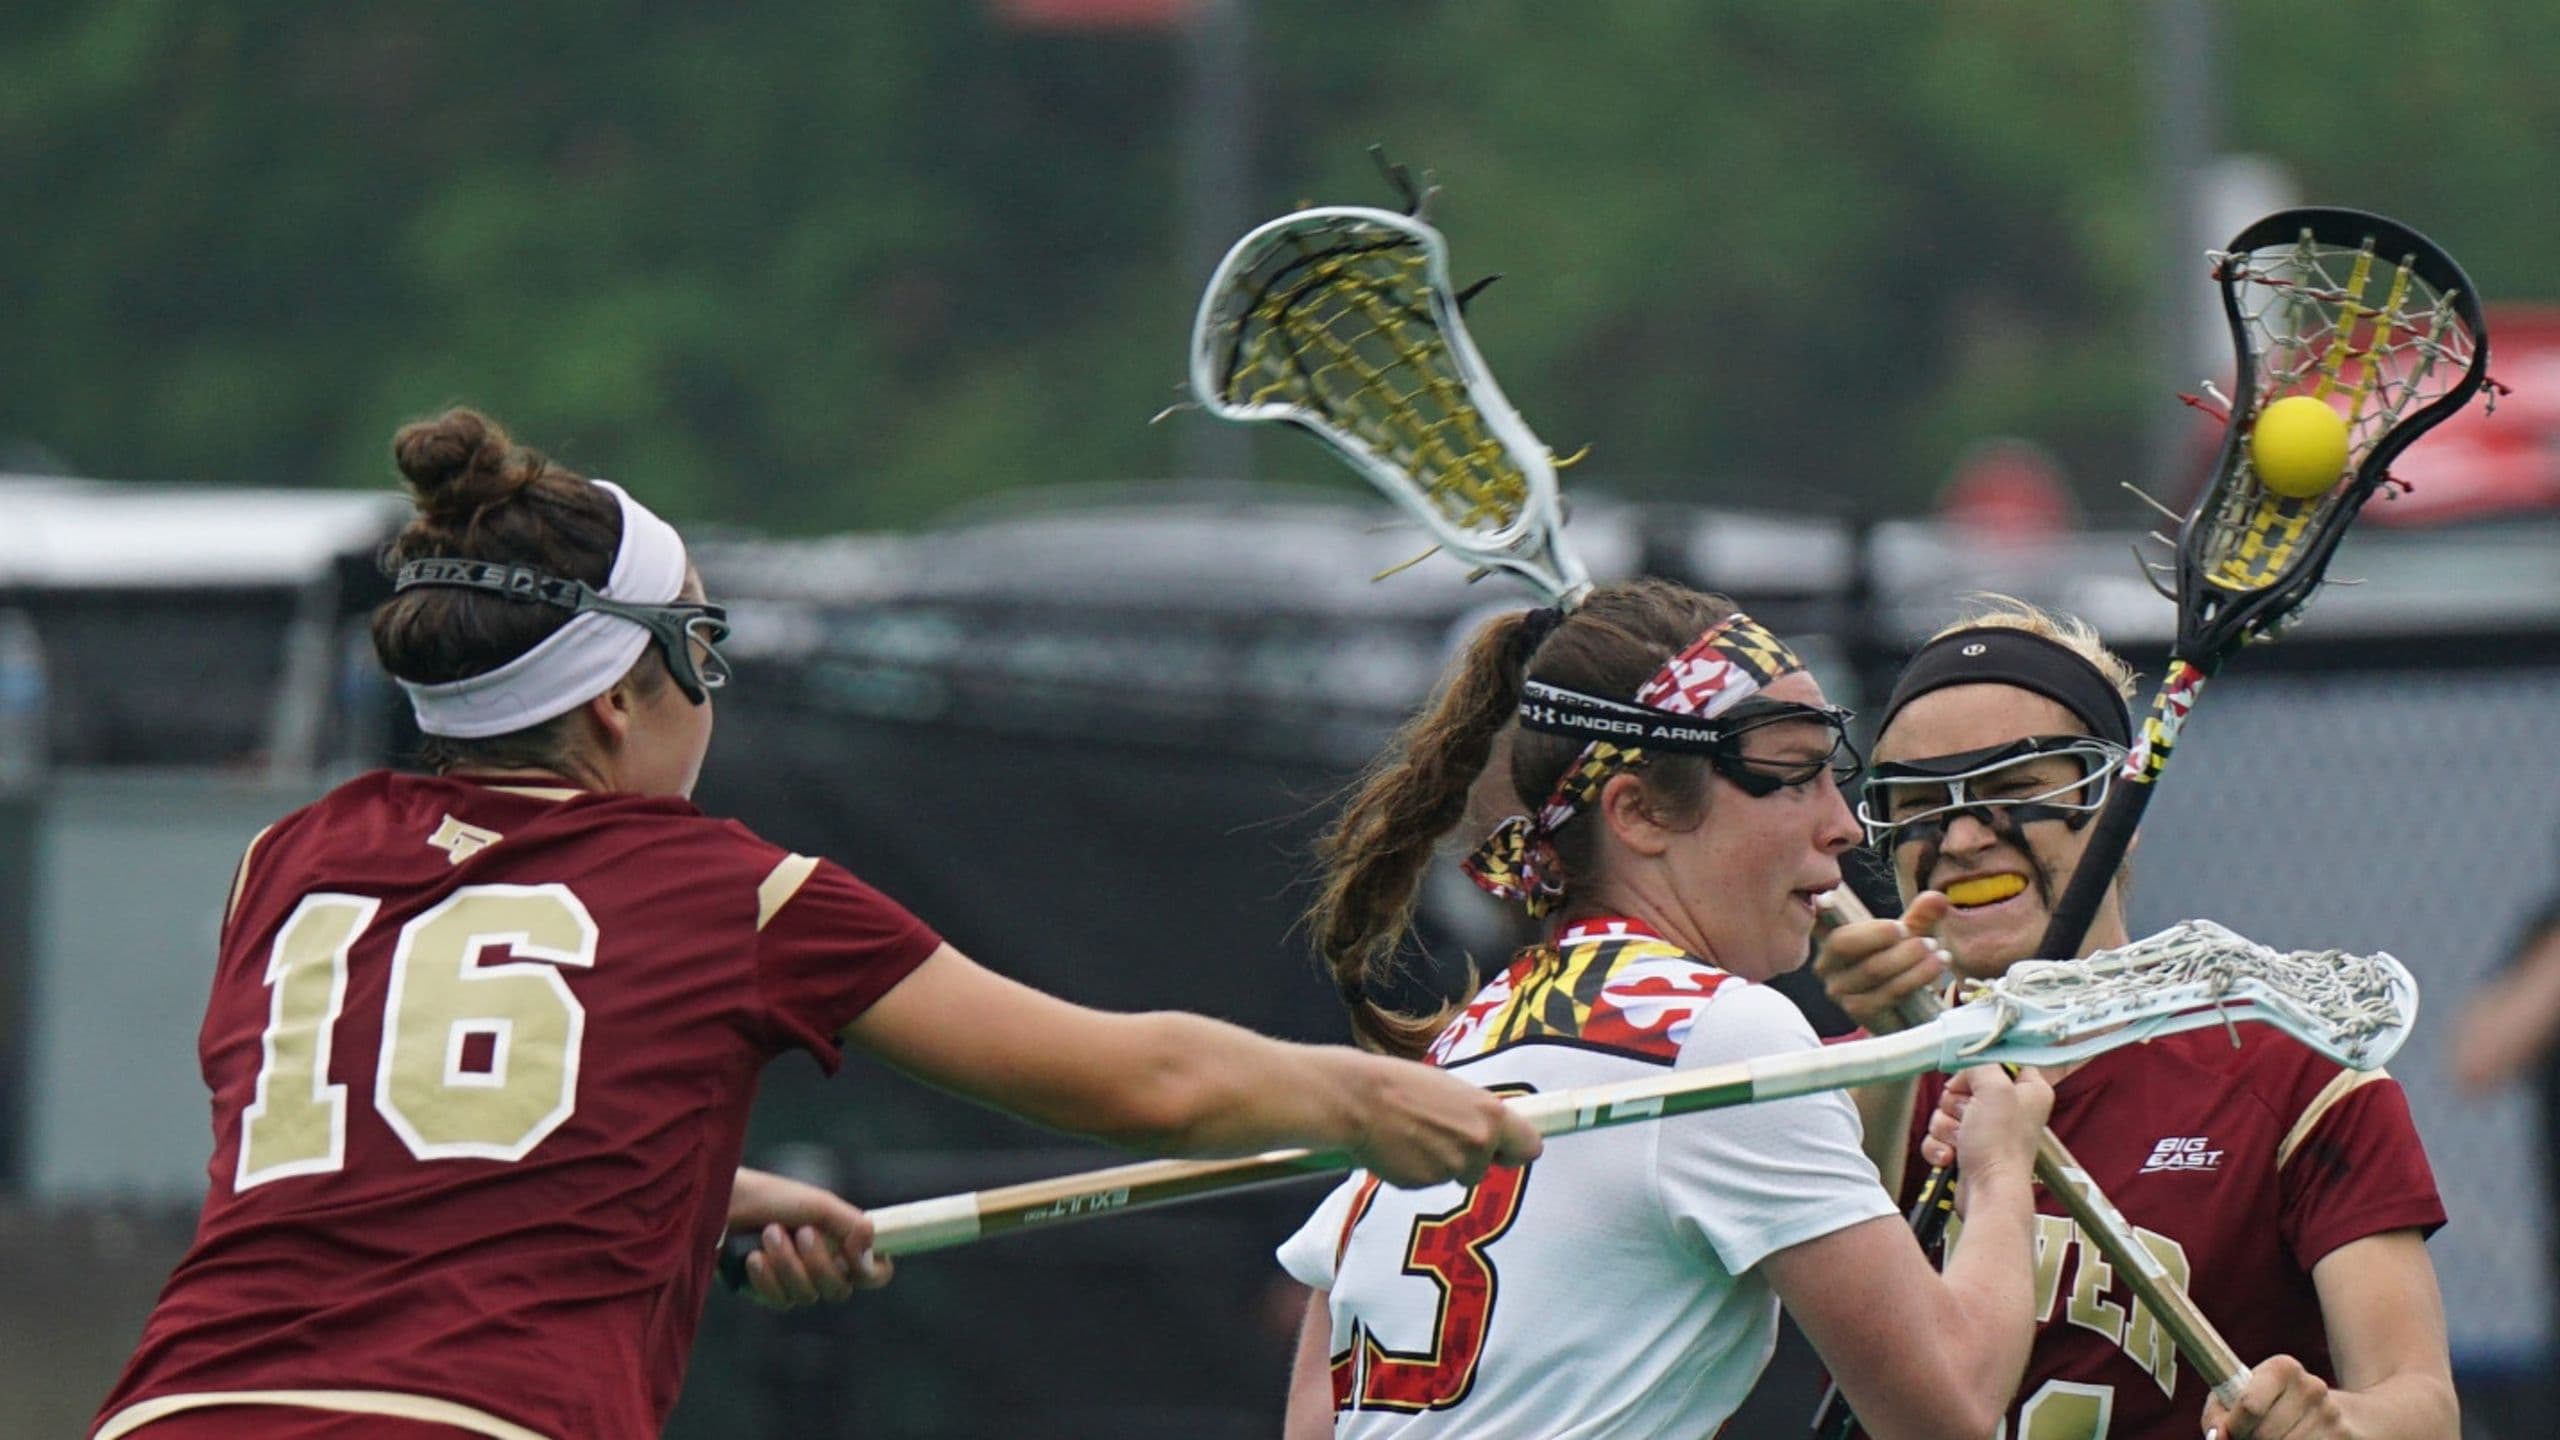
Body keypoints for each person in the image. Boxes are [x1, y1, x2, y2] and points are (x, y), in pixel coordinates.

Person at [91, 409, 1540, 1440]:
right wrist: (1368, 1099)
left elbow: (382, 1149)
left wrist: (694, 1194)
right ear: (619, 699)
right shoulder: (733, 892)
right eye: (702, 645)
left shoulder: (287, 864)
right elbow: (1140, 1081)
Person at [1275, 581, 2056, 1440]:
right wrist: (1999, 1170)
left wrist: (1891, 1053)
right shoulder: (1723, 1036)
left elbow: (1317, 1414)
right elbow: (1947, 1412)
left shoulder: (1471, 1036)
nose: (1845, 826)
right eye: (1792, 776)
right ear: (1639, 812)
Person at [1817, 599, 2454, 1440]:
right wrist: (1893, 1050)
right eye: (1922, 802)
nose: (1964, 837)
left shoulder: (2290, 1070)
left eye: (2017, 790)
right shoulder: (1846, 1082)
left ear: (2122, 817)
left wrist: (2334, 1424)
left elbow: (2421, 1405)